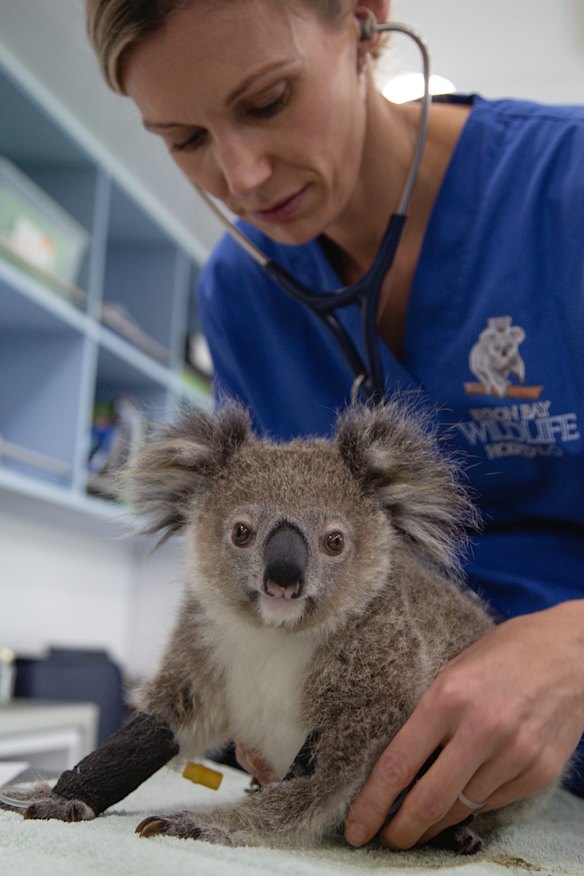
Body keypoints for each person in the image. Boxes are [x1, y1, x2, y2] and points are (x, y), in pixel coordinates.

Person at [86, 0, 584, 851]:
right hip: (387, 788)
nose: (240, 176)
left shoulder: (563, 190)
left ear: (365, 20)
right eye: (185, 139)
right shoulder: (241, 294)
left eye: (267, 101)